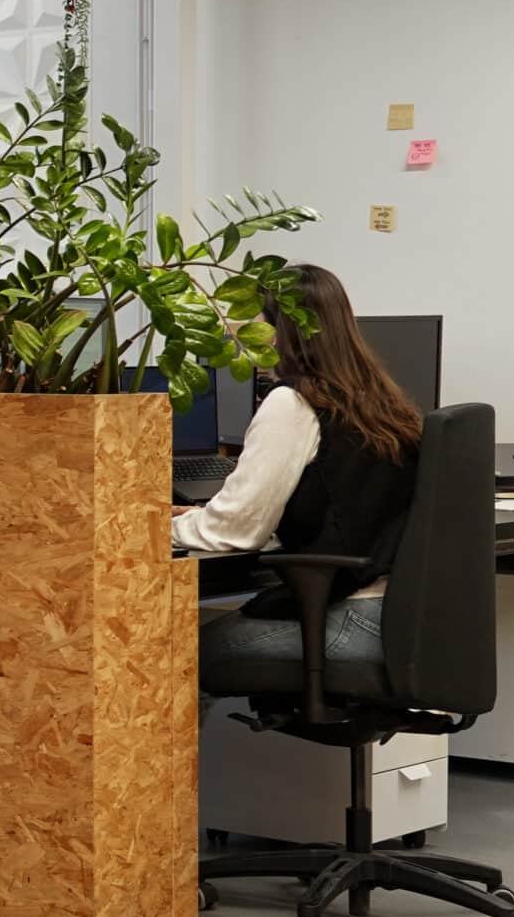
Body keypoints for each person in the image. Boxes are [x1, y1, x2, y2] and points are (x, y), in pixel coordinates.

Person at [175, 265, 425, 692]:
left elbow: (235, 532)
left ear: (280, 332)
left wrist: (155, 527)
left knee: (170, 651)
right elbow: (343, 503)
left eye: (254, 319)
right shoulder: (382, 403)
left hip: (351, 620)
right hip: (402, 618)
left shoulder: (292, 404)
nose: (243, 331)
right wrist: (198, 516)